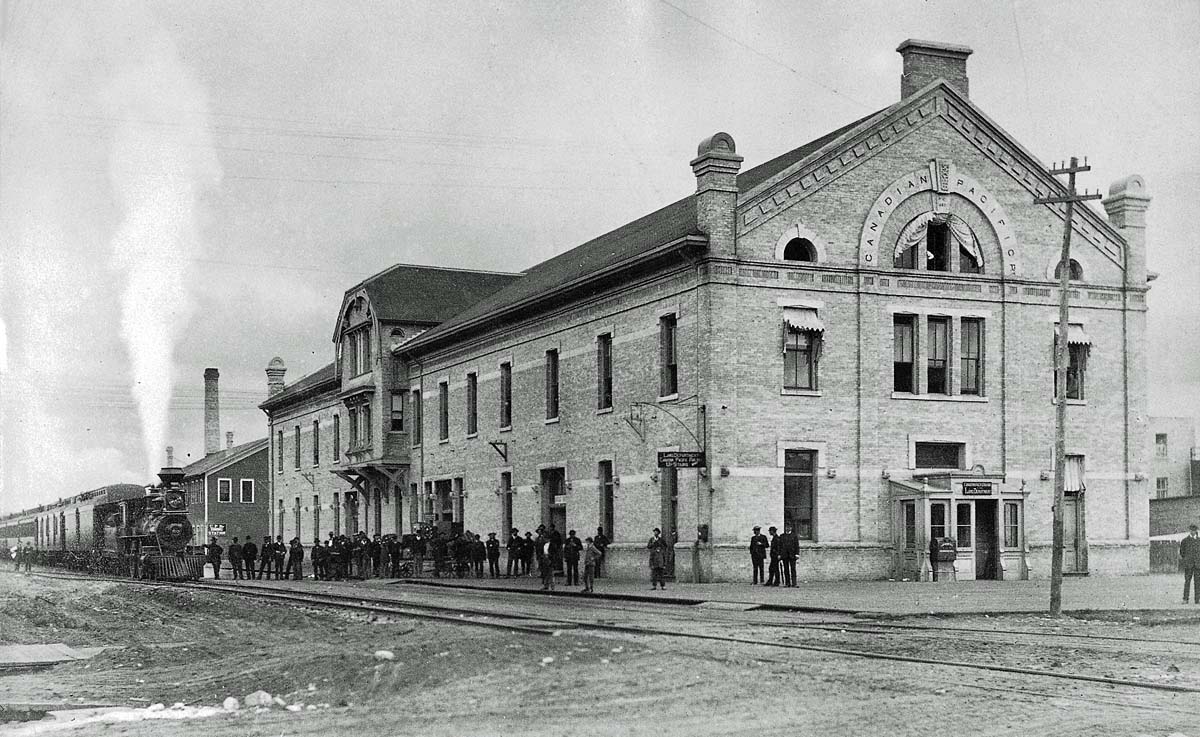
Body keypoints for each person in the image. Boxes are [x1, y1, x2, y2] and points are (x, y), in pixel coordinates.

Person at [1182, 524, 1200, 604]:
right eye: (1191, 530)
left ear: (1196, 531)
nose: (1193, 532)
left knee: (1198, 582)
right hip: (1188, 565)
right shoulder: (1185, 541)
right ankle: (1185, 599)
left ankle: (1197, 599)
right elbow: (1182, 552)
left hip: (1198, 565)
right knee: (1187, 582)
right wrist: (1187, 560)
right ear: (1189, 530)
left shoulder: (1199, 541)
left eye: (1194, 530)